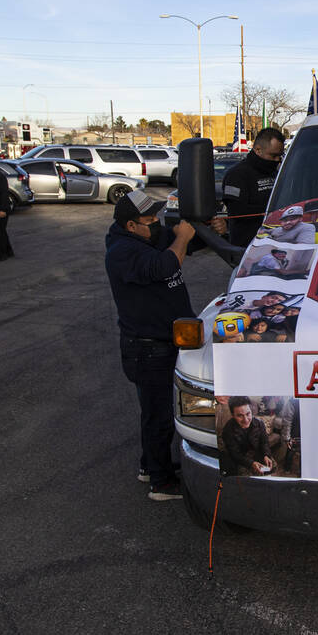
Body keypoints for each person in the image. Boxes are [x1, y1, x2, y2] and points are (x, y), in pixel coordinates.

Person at [105, 189, 210, 501]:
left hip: (166, 342)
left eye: (157, 218)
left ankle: (150, 466)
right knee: (159, 415)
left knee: (157, 412)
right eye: (150, 220)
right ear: (130, 226)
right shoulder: (122, 252)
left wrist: (207, 231)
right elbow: (168, 265)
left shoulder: (147, 236)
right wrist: (181, 238)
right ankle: (161, 483)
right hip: (148, 348)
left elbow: (185, 243)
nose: (157, 224)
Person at [222, 127, 284, 245]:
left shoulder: (274, 173)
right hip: (247, 245)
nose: (277, 160)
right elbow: (237, 211)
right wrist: (275, 210)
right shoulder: (236, 175)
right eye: (273, 156)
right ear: (258, 150)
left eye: (279, 156)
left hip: (275, 241)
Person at [220, 397, 275, 476]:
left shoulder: (259, 423)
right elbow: (234, 454)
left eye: (248, 414)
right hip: (240, 459)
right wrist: (251, 463)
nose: (246, 420)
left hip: (257, 453)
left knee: (271, 467)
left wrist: (266, 455)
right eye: (240, 416)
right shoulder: (227, 430)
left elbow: (264, 442)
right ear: (233, 415)